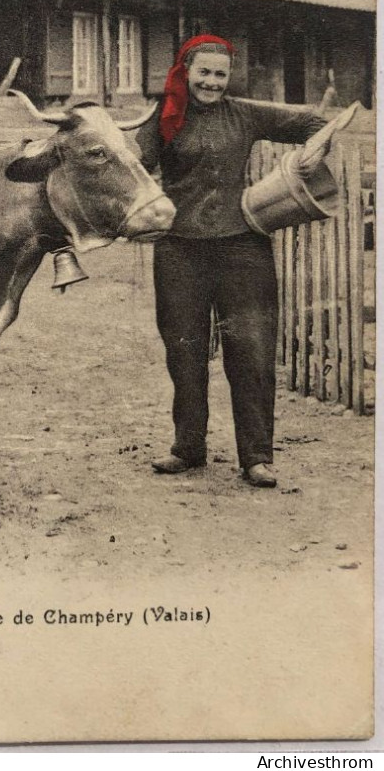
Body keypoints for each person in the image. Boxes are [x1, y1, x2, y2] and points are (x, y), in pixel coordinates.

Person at [137, 34, 328, 488]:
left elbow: (313, 123)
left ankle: (257, 457)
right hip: (179, 247)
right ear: (186, 71)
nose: (212, 82)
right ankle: (188, 448)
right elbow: (135, 167)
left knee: (253, 352)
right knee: (184, 350)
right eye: (204, 72)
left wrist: (313, 151)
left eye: (220, 74)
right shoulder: (162, 117)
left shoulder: (244, 114)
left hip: (243, 247)